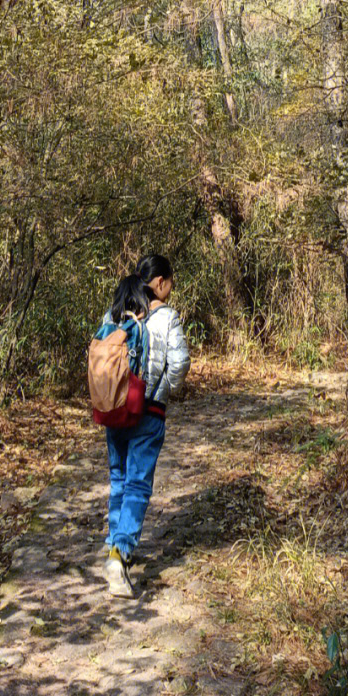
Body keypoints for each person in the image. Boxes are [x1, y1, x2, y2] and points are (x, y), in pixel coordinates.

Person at [102, 253, 190, 597]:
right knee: (138, 485)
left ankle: (114, 544)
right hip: (148, 411)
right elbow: (179, 363)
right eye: (170, 282)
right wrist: (162, 391)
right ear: (160, 283)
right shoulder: (166, 317)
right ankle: (119, 554)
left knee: (119, 480)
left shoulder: (116, 312)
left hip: (114, 409)